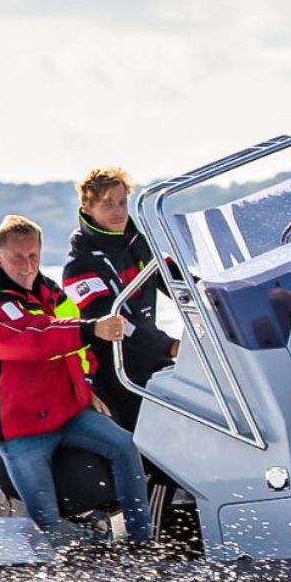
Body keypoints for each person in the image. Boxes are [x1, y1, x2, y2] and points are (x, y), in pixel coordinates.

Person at [0, 215, 153, 542]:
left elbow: (75, 347)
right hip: (21, 430)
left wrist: (87, 387)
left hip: (66, 413)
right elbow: (37, 339)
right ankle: (53, 581)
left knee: (125, 446)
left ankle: (141, 541)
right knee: (47, 523)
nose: (27, 266)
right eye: (17, 258)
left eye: (33, 256)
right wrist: (91, 328)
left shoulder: (52, 294)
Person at [61, 166, 179, 430]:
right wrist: (169, 346)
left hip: (152, 360)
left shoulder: (139, 243)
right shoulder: (79, 266)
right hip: (114, 373)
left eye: (122, 203)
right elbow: (114, 323)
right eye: (107, 205)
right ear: (87, 207)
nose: (118, 212)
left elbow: (178, 280)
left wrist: (218, 297)